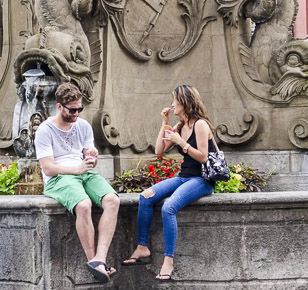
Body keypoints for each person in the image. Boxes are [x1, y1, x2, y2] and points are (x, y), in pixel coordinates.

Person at [121, 84, 215, 281]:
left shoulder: (200, 124)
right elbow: (159, 150)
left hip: (202, 180)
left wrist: (181, 142)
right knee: (145, 196)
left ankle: (168, 261)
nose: (172, 105)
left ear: (185, 102)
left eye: (175, 101)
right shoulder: (180, 125)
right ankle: (142, 247)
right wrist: (164, 123)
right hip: (184, 177)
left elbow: (204, 157)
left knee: (168, 207)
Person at [34, 82, 120, 283]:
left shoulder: (82, 125)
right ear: (59, 107)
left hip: (83, 173)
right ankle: (94, 263)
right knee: (83, 205)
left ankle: (100, 258)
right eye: (72, 110)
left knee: (113, 200)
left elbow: (88, 156)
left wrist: (92, 157)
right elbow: (48, 168)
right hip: (58, 178)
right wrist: (77, 169)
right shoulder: (44, 130)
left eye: (79, 109)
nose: (76, 113)